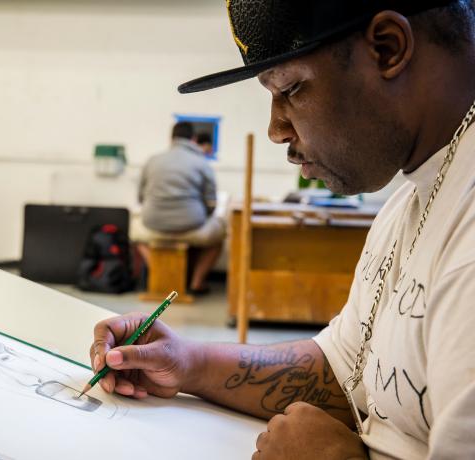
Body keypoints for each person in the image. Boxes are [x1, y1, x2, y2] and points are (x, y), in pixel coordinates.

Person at [90, 1, 475, 458]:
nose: (275, 129)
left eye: (291, 88)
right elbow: (344, 371)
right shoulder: (411, 198)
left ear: (388, 49)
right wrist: (189, 362)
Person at [133, 121, 225, 295]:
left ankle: (160, 274)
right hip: (190, 224)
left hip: (154, 223)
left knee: (137, 236)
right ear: (193, 139)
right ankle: (196, 283)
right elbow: (211, 203)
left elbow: (140, 197)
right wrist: (204, 215)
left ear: (171, 138)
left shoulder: (152, 160)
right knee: (218, 238)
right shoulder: (202, 163)